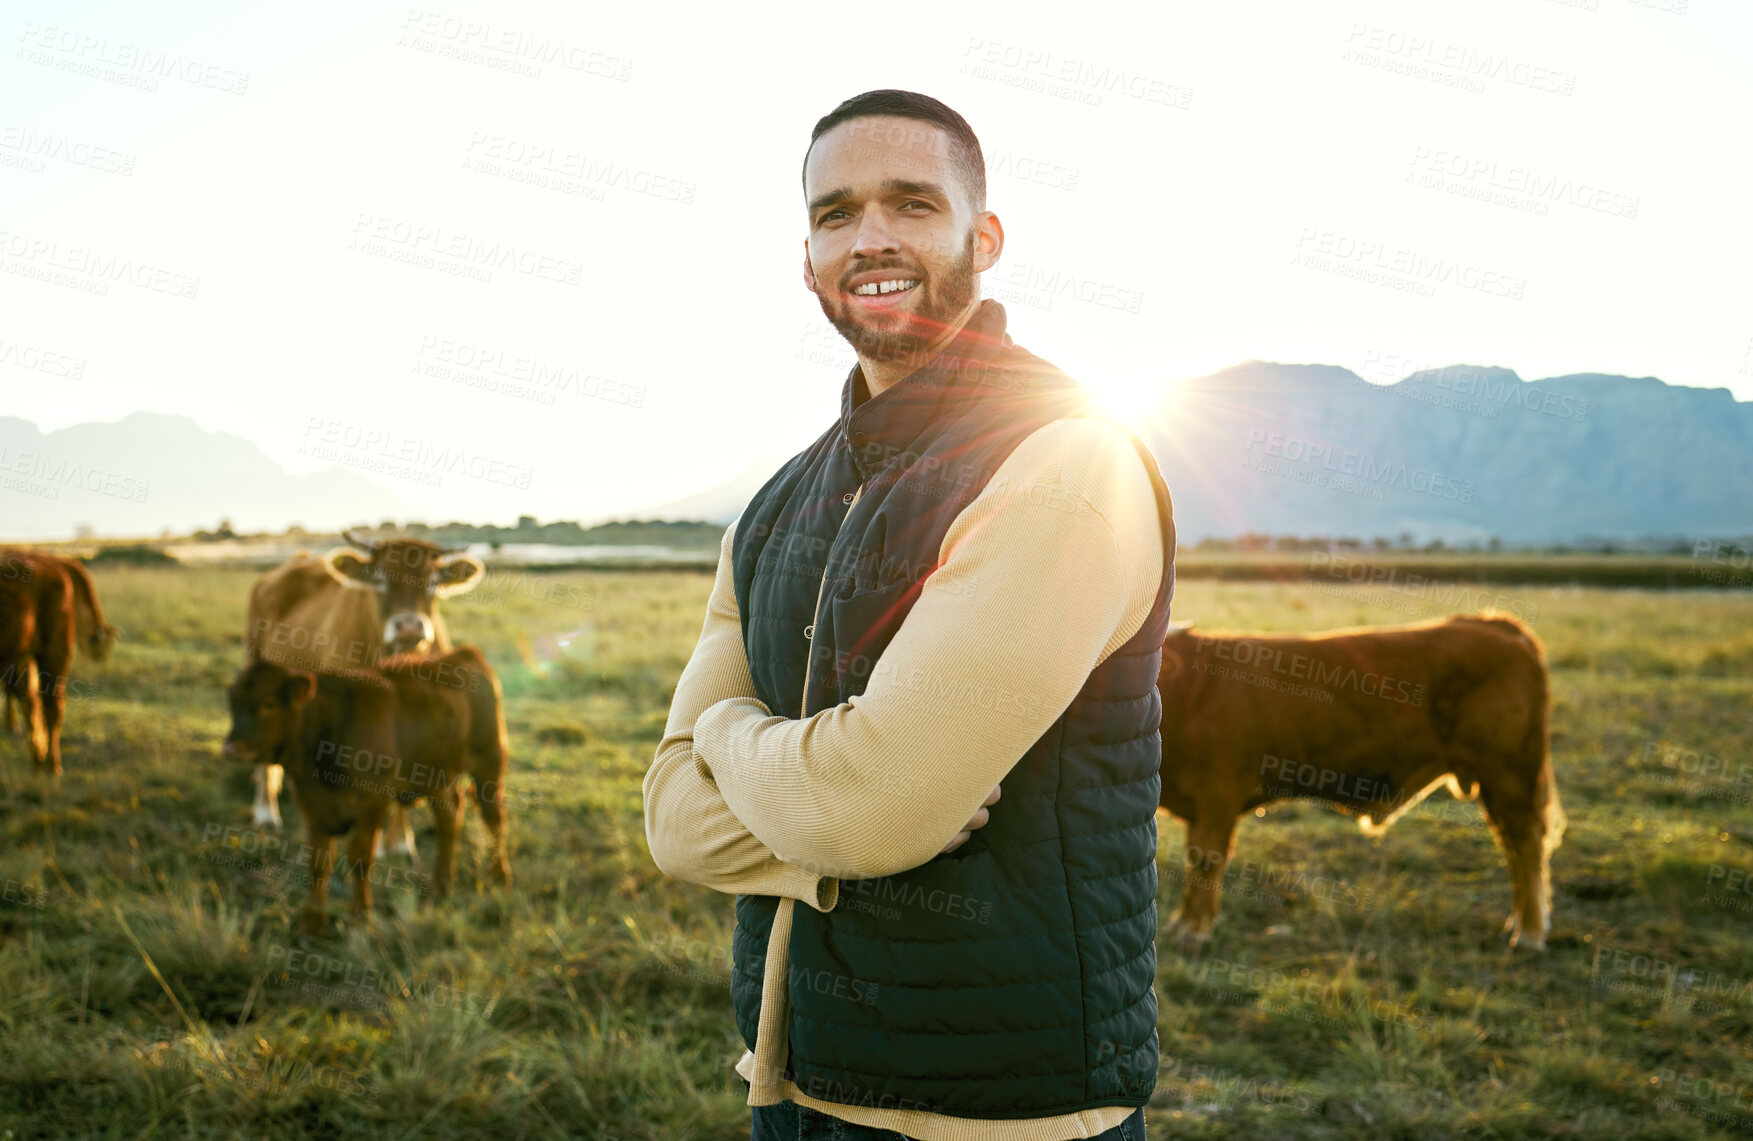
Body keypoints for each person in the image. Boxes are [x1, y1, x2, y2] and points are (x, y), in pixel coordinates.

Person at [643, 89, 1175, 1141]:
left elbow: (873, 805)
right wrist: (822, 798)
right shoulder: (775, 503)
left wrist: (727, 742)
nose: (870, 237)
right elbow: (671, 820)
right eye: (836, 213)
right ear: (806, 259)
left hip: (1002, 1113)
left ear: (985, 238)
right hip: (786, 1087)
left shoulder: (1062, 461)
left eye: (911, 204)